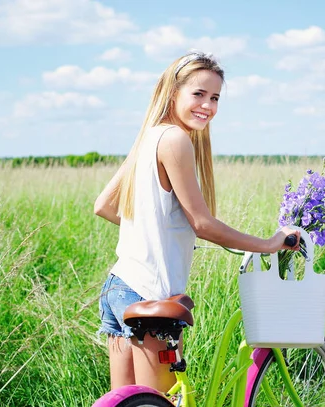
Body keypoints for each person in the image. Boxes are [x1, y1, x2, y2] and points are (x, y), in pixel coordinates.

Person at [93, 51, 299, 392]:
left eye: (215, 97)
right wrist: (268, 243)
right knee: (159, 401)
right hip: (151, 293)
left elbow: (102, 205)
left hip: (119, 286)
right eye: (198, 94)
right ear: (173, 92)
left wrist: (157, 232)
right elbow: (202, 223)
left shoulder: (148, 136)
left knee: (127, 401)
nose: (208, 105)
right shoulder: (175, 140)